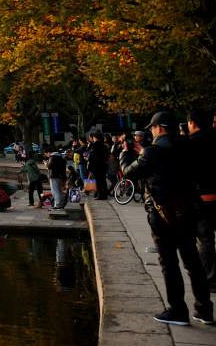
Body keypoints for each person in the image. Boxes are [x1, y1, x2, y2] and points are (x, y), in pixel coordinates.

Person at [122, 111, 214, 326]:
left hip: (163, 213)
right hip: (188, 210)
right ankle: (204, 309)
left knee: (169, 262)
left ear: (159, 128)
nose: (151, 132)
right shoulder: (190, 146)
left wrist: (126, 154)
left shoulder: (153, 152)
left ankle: (177, 309)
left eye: (152, 128)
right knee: (192, 260)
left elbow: (129, 173)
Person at [186, 108, 216, 287]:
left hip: (202, 195)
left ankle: (209, 277)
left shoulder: (192, 143)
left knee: (205, 238)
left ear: (193, 123)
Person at [88, 132, 110, 200]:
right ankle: (104, 195)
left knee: (98, 182)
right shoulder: (104, 145)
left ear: (95, 137)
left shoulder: (95, 145)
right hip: (103, 165)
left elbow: (93, 157)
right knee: (103, 181)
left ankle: (100, 195)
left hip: (96, 166)